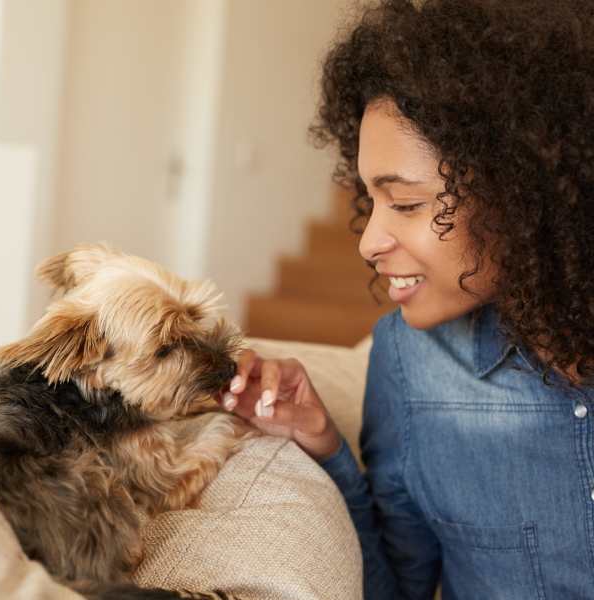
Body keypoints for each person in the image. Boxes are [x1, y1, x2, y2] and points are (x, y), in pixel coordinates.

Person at [219, 0, 594, 597]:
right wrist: (323, 444)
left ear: (525, 193)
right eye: (370, 201)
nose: (368, 242)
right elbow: (396, 589)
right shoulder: (410, 361)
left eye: (409, 204)